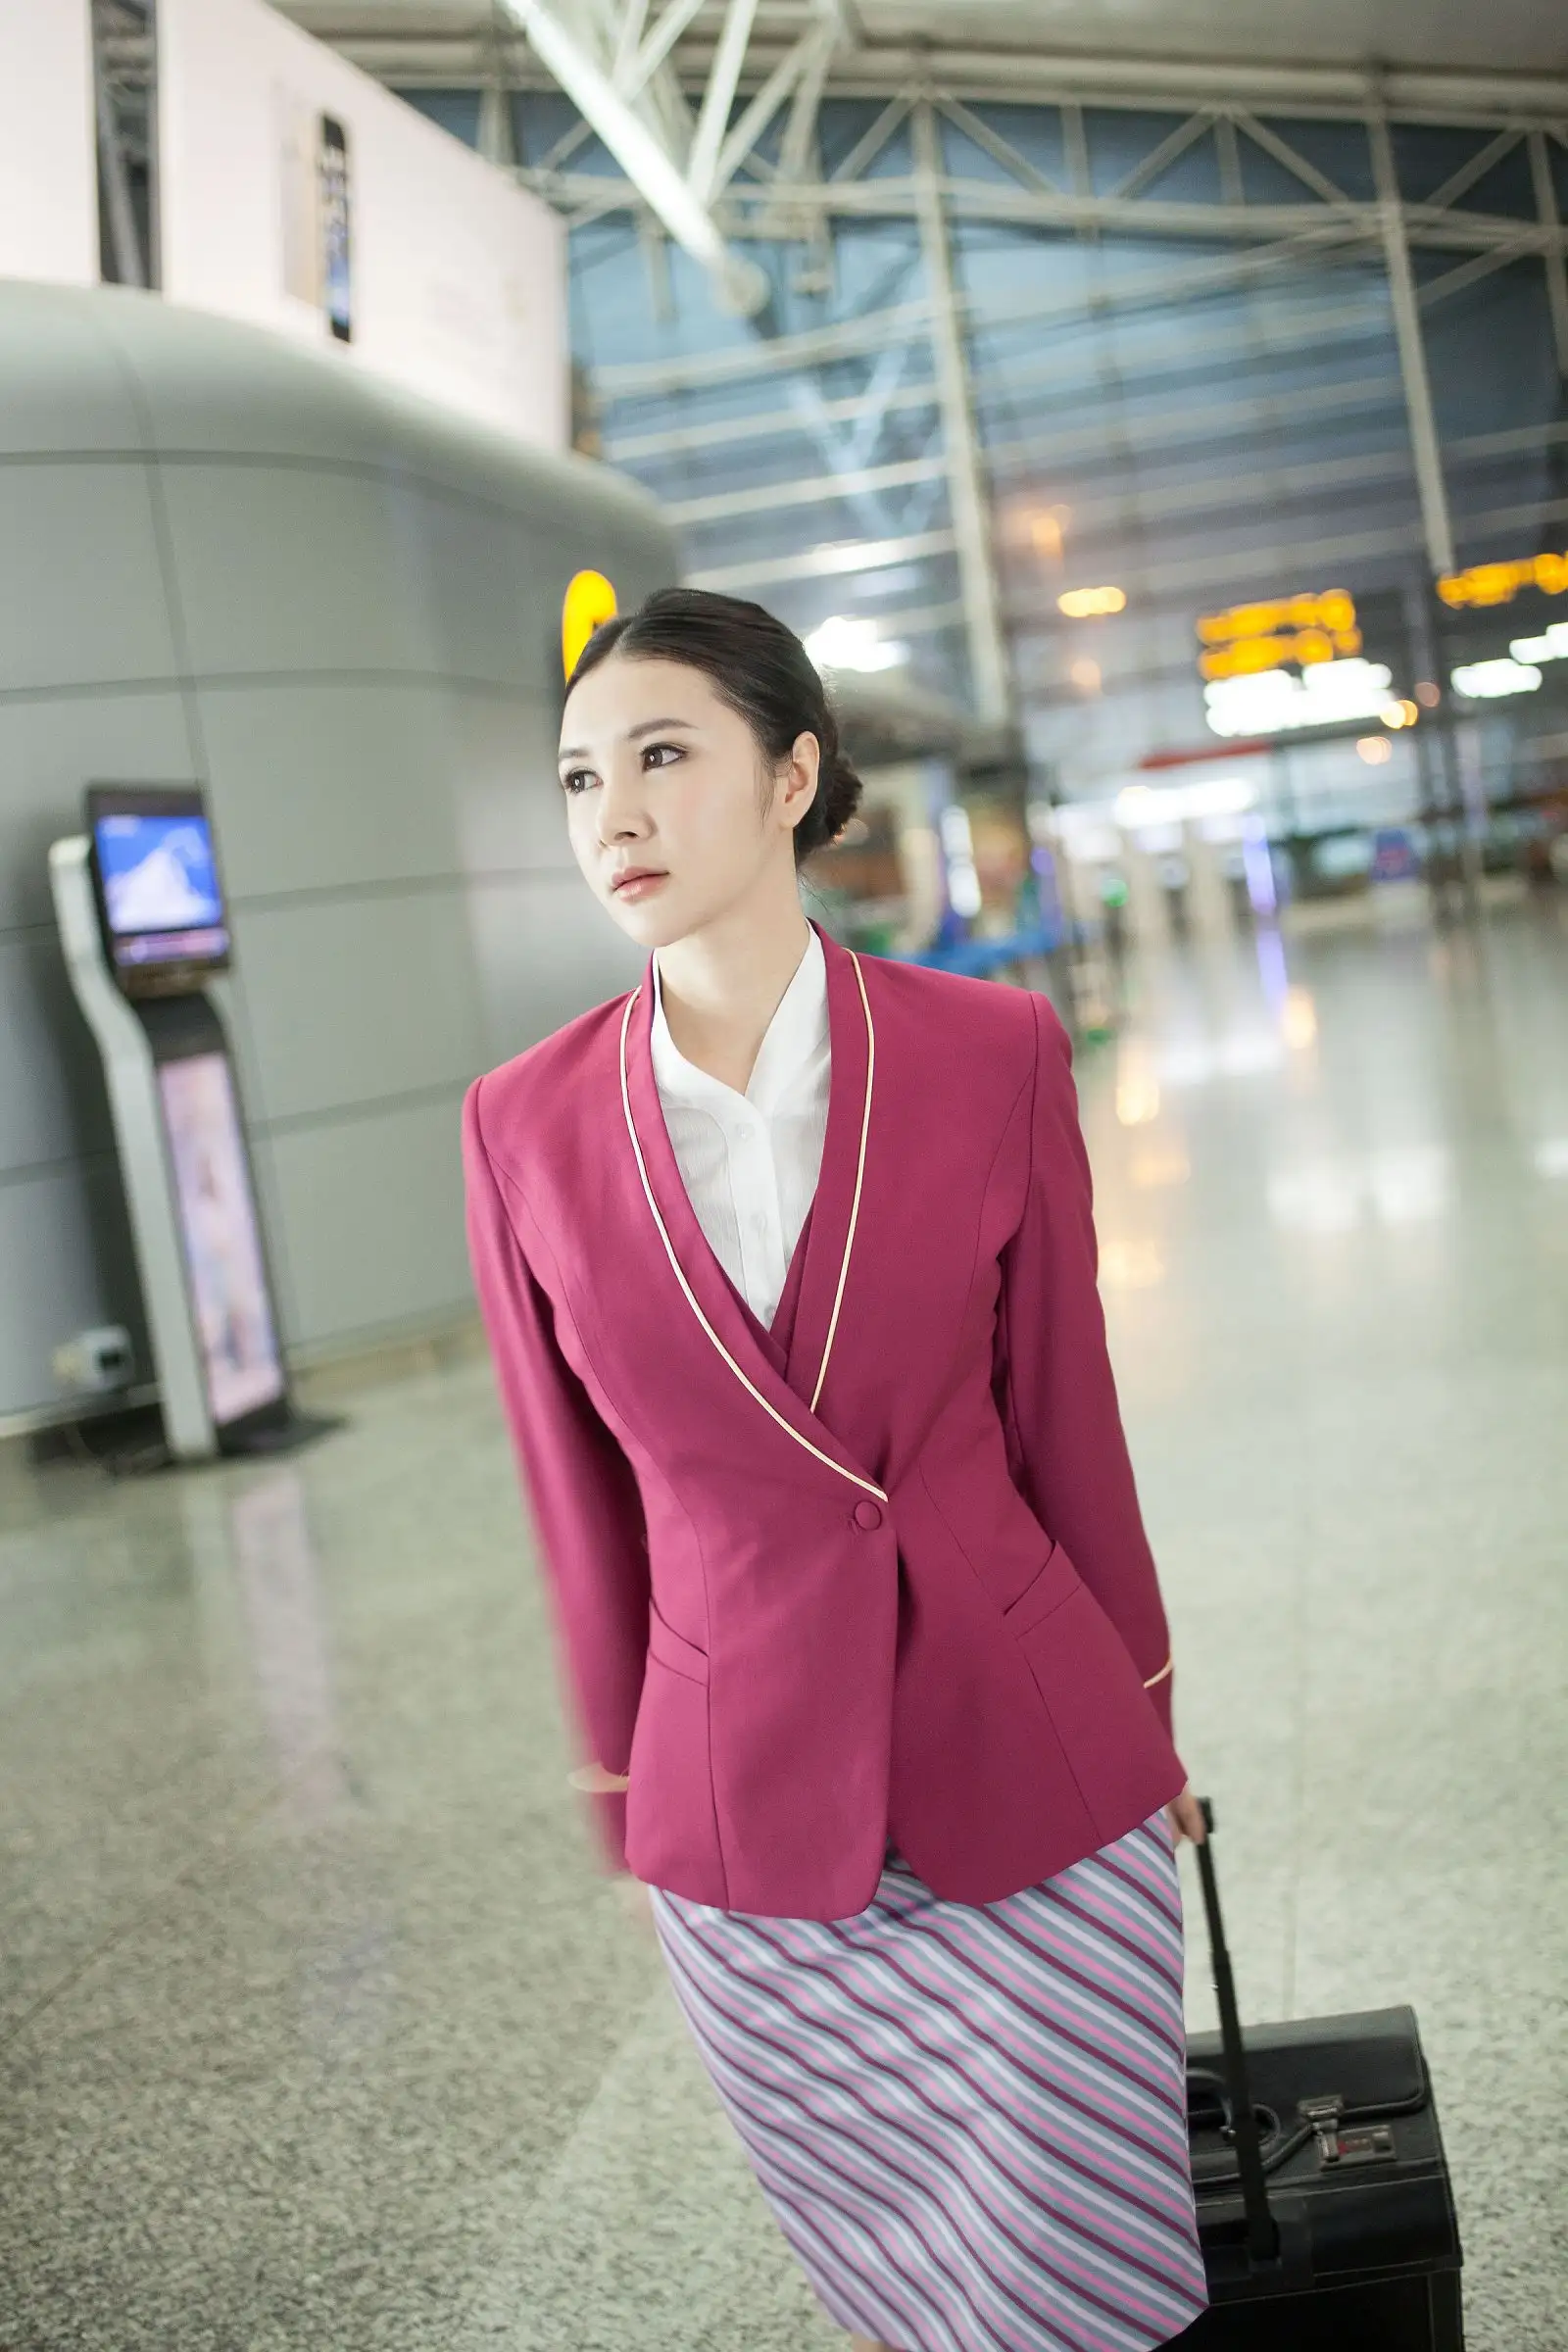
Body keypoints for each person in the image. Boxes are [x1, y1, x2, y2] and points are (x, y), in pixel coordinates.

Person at [462, 587, 1209, 2352]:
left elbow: (1066, 1419)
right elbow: (574, 1501)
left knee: (1088, 2277)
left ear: (793, 774)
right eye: (579, 782)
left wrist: (1150, 1727)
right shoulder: (525, 1123)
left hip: (1030, 1769)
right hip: (751, 1810)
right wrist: (623, 1800)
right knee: (921, 2300)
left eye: (663, 757)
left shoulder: (987, 1050)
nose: (615, 817)